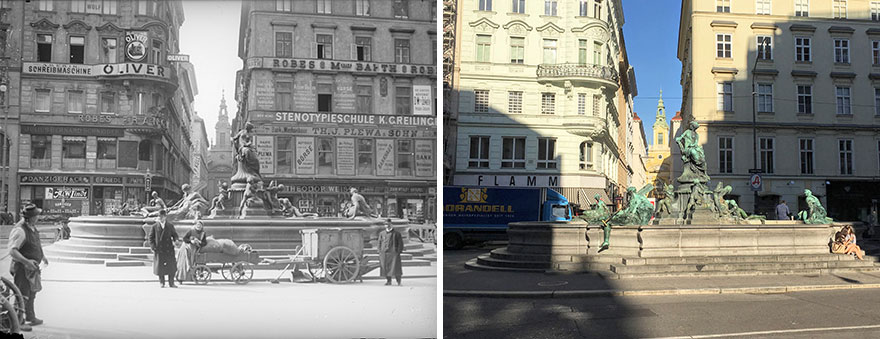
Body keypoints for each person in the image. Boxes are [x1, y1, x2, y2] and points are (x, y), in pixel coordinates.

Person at [8, 204, 49, 331]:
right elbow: (12, 251)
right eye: (36, 215)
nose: (38, 217)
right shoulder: (20, 230)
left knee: (32, 293)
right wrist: (26, 261)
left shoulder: (32, 228)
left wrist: (42, 256)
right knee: (22, 294)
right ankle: (18, 321)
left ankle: (31, 317)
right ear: (30, 218)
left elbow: (36, 243)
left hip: (32, 268)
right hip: (22, 268)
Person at [149, 209, 179, 288]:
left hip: (169, 249)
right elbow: (151, 238)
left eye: (162, 216)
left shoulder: (170, 225)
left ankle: (171, 283)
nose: (160, 218)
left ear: (165, 217)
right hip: (159, 249)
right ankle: (162, 282)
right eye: (159, 216)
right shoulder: (154, 226)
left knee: (171, 267)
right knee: (160, 267)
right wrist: (153, 247)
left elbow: (175, 235)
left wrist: (176, 240)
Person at [176, 219, 208, 284]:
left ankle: (190, 276)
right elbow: (184, 239)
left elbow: (204, 243)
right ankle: (180, 278)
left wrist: (200, 242)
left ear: (202, 226)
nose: (199, 226)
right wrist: (191, 241)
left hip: (194, 248)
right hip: (186, 246)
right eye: (197, 225)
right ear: (195, 225)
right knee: (185, 259)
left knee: (192, 260)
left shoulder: (203, 233)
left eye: (200, 225)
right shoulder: (191, 231)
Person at [377, 219, 403, 286]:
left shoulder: (397, 234)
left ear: (391, 225)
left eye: (388, 224)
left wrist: (399, 251)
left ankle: (398, 281)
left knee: (396, 268)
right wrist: (379, 250)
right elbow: (379, 242)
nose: (387, 226)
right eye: (385, 225)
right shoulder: (382, 233)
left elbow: (400, 243)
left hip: (394, 253)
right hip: (384, 253)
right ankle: (389, 281)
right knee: (386, 268)